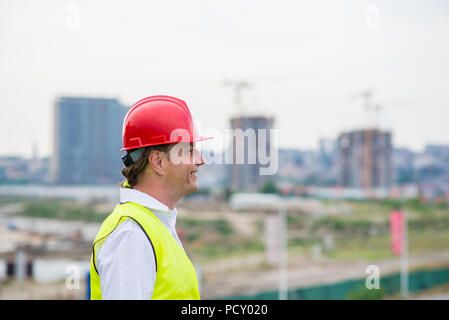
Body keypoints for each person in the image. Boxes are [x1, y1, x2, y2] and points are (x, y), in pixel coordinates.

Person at [90, 95, 212, 300]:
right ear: (158, 161)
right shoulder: (131, 234)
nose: (200, 160)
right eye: (189, 150)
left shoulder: (152, 225)